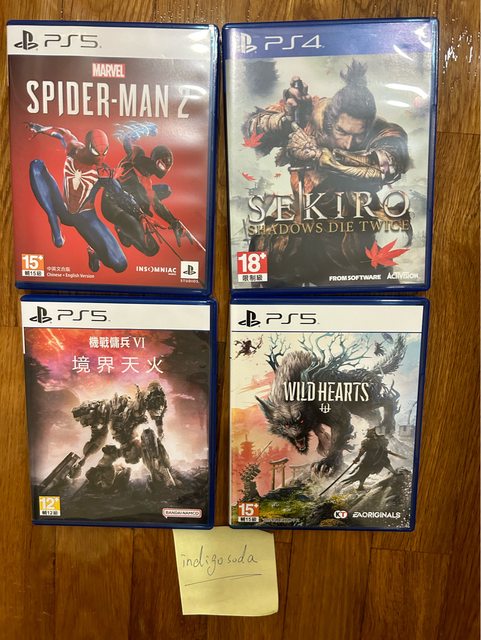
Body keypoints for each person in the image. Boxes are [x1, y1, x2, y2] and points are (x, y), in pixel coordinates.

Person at [243, 60, 411, 286]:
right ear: (331, 122)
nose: (349, 143)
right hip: (299, 220)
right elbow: (251, 129)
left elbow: (384, 165)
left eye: (358, 136)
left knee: (374, 287)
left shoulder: (384, 131)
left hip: (350, 229)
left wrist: (318, 155)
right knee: (263, 258)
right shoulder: (310, 110)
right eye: (342, 131)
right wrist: (286, 121)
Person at [27, 123, 128, 273]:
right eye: (96, 152)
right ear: (87, 146)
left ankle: (94, 252)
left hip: (85, 217)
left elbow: (121, 196)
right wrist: (39, 128)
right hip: (63, 209)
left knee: (120, 264)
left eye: (104, 152)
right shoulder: (73, 148)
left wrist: (139, 215)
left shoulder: (103, 172)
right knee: (36, 166)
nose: (100, 157)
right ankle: (53, 217)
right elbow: (61, 132)